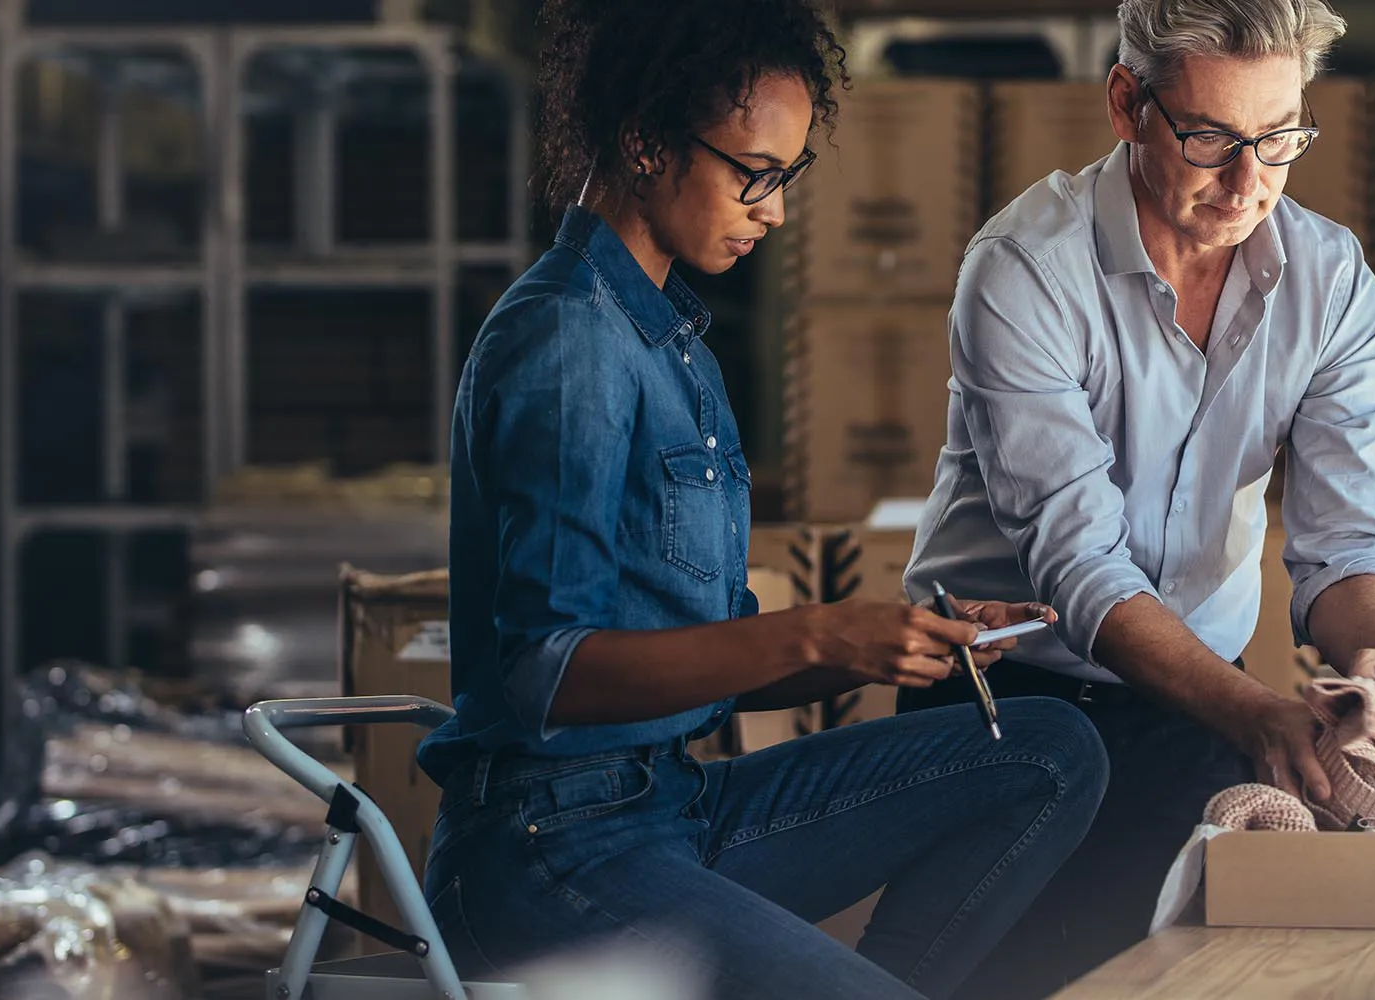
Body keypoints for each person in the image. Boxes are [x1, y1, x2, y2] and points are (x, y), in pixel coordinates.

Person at [414, 2, 1109, 997]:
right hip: (545, 848)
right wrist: (821, 636)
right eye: (754, 173)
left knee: (1049, 748)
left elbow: (711, 660)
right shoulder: (568, 341)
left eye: (786, 177)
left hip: (671, 803)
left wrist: (904, 634)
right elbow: (545, 673)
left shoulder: (673, 344)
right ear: (646, 144)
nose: (773, 210)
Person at [898, 1, 1375, 996]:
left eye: (1278, 140)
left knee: (1185, 980)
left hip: (1200, 700)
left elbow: (1343, 538)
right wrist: (1256, 715)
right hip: (997, 703)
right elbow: (1077, 564)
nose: (1248, 183)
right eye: (1209, 138)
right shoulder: (1023, 270)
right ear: (1126, 103)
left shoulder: (1329, 281)